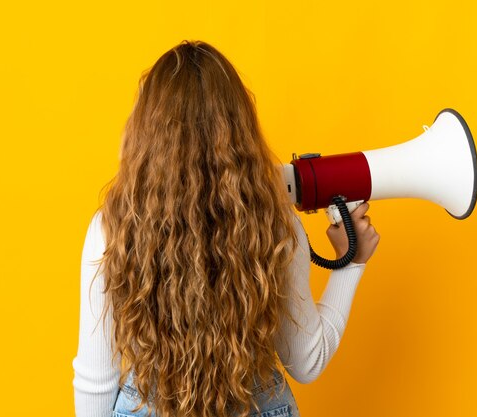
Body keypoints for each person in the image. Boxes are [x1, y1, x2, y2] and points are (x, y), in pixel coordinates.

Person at [72, 40, 380, 417]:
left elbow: (94, 387)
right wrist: (352, 263)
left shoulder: (109, 231)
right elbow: (307, 361)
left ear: (146, 133)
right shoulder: (277, 227)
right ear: (240, 129)